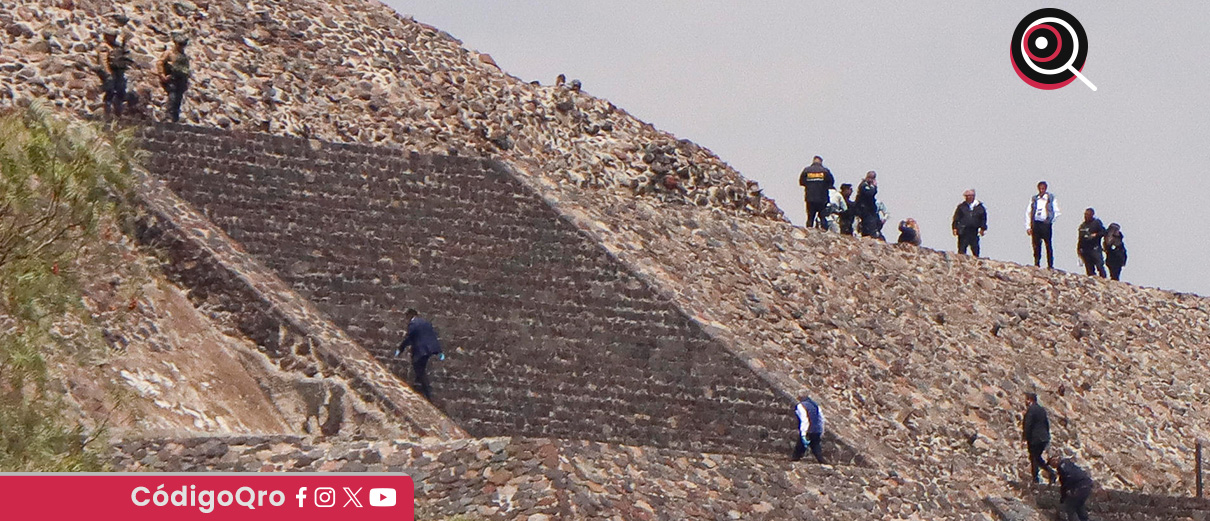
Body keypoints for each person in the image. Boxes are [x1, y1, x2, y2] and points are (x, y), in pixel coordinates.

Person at [394, 308, 444, 400]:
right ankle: (418, 386)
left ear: (409, 316)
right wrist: (439, 351)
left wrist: (400, 349)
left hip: (421, 350)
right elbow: (432, 336)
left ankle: (427, 393)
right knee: (421, 366)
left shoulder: (413, 324)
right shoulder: (426, 323)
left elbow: (409, 338)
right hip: (429, 350)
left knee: (418, 368)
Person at [98, 28, 134, 117]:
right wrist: (107, 72)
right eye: (111, 36)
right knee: (110, 91)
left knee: (120, 92)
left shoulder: (117, 46)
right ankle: (107, 112)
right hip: (111, 71)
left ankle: (118, 112)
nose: (113, 37)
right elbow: (103, 60)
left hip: (119, 71)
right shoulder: (104, 46)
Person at [1022, 392, 1056, 484]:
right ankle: (1049, 472)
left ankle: (1036, 478)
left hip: (1034, 438)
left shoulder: (1031, 410)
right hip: (1043, 438)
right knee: (1037, 457)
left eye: (1026, 399)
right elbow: (1046, 424)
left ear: (1030, 400)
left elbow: (1028, 425)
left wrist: (1025, 437)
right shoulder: (1042, 410)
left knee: (1034, 457)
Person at [1048, 455, 1095, 521]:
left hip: (1080, 486)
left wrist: (1071, 490)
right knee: (1079, 505)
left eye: (1052, 462)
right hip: (1087, 485)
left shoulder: (1063, 468)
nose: (1052, 465)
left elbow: (1070, 478)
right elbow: (1065, 484)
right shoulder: (1068, 464)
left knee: (1070, 507)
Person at [1026, 181, 1061, 268]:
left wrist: (1050, 221)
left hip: (1046, 224)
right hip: (1036, 224)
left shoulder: (1050, 198)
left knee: (1048, 244)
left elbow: (1057, 211)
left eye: (1043, 188)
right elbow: (1028, 212)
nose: (1041, 190)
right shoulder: (1034, 199)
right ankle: (1037, 263)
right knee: (1036, 245)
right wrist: (1028, 226)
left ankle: (1050, 264)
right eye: (1040, 188)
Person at [159, 34, 191, 122]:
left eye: (183, 44)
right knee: (172, 98)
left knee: (178, 100)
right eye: (180, 44)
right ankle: (168, 116)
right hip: (172, 79)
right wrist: (162, 74)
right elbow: (160, 63)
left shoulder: (184, 57)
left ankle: (174, 118)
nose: (181, 46)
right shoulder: (169, 53)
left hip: (181, 80)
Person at [799, 156, 835, 229]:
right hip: (822, 198)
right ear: (821, 162)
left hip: (810, 198)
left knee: (810, 217)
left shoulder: (806, 171)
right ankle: (824, 232)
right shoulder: (825, 171)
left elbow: (801, 182)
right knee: (822, 217)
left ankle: (809, 231)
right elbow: (831, 182)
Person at [952, 189, 988, 256]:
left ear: (973, 196)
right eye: (966, 196)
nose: (967, 197)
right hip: (963, 230)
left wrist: (983, 228)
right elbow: (956, 218)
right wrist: (954, 228)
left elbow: (983, 218)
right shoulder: (961, 207)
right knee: (962, 249)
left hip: (974, 231)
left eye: (969, 196)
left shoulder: (980, 207)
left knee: (975, 248)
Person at [792, 395, 826, 463]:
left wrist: (803, 433)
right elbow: (821, 419)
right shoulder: (816, 406)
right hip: (817, 429)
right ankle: (822, 461)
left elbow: (804, 420)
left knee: (801, 445)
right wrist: (821, 430)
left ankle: (795, 459)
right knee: (815, 446)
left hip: (808, 429)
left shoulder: (801, 406)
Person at [1077, 208, 1107, 278]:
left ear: (1092, 215)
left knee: (1099, 265)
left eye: (1088, 214)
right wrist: (1079, 250)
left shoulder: (1096, 223)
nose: (1086, 216)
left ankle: (1104, 280)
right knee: (1089, 268)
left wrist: (1096, 235)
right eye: (1085, 214)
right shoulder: (1082, 226)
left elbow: (1104, 232)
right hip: (1085, 250)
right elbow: (1080, 239)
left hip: (1095, 248)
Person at [856, 171, 880, 238]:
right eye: (869, 177)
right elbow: (870, 193)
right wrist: (874, 187)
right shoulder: (864, 185)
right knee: (868, 224)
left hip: (869, 210)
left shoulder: (868, 185)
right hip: (864, 209)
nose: (871, 180)